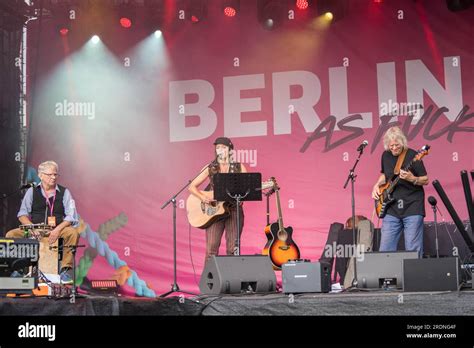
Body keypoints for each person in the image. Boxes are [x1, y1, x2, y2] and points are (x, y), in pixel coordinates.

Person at [6, 161, 80, 284]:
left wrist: (57, 230)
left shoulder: (64, 192)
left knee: (72, 233)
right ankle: (17, 270)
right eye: (50, 174)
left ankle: (65, 270)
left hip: (57, 228)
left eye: (55, 175)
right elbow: (22, 214)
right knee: (11, 235)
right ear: (40, 175)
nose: (53, 177)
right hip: (35, 228)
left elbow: (71, 216)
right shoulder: (32, 191)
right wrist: (32, 229)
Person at [371, 127, 429, 256]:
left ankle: (414, 275)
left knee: (413, 249)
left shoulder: (413, 155)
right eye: (391, 146)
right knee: (385, 249)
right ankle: (387, 275)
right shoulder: (385, 155)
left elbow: (425, 180)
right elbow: (385, 175)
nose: (394, 148)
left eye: (396, 145)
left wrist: (412, 178)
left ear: (402, 142)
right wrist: (376, 185)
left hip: (412, 206)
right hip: (391, 208)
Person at [189, 137, 247, 262]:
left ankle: (232, 281)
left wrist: (242, 197)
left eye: (223, 147)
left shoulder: (238, 167)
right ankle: (209, 282)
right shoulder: (210, 167)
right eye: (218, 147)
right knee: (211, 250)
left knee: (233, 250)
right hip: (214, 212)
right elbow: (192, 187)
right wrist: (203, 197)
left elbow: (247, 189)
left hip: (233, 210)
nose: (220, 149)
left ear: (230, 150)